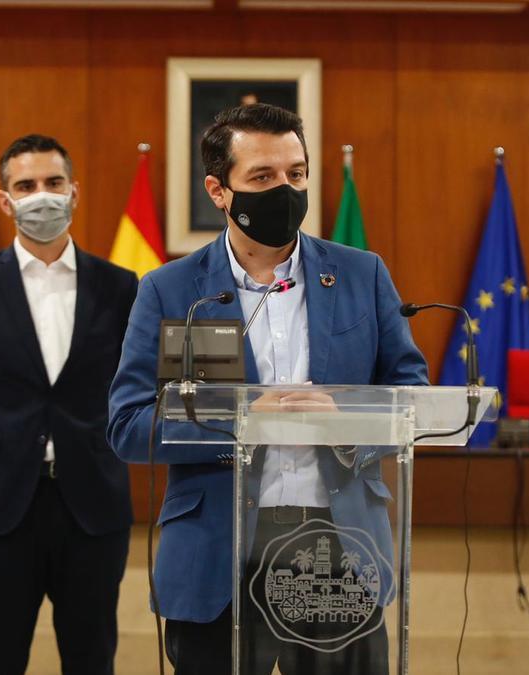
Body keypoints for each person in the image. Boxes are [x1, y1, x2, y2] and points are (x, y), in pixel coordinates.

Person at [107, 103, 428, 674]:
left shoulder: (362, 273)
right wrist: (241, 422)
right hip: (218, 553)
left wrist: (343, 417)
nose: (285, 189)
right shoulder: (170, 289)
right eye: (262, 177)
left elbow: (410, 394)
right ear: (219, 190)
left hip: (338, 548)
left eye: (296, 174)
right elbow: (129, 425)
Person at [0, 134, 138, 674]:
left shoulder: (121, 286)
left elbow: (135, 386)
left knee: (92, 656)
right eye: (25, 185)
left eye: (52, 183)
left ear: (74, 193)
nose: (40, 195)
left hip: (91, 503)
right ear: (5, 199)